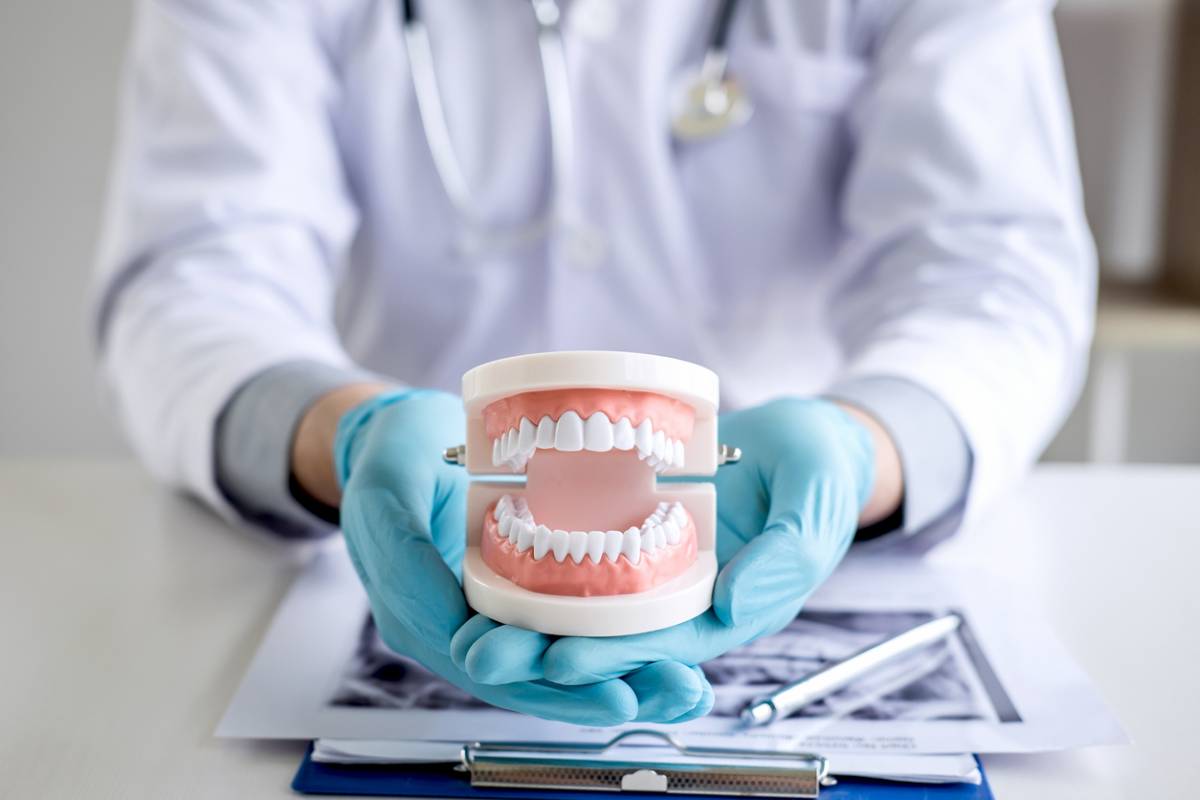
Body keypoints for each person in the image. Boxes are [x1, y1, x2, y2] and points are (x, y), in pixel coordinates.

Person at [92, 0, 1094, 726]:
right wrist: (339, 433)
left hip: (818, 557)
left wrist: (865, 447)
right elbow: (195, 271)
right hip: (396, 528)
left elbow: (994, 267)